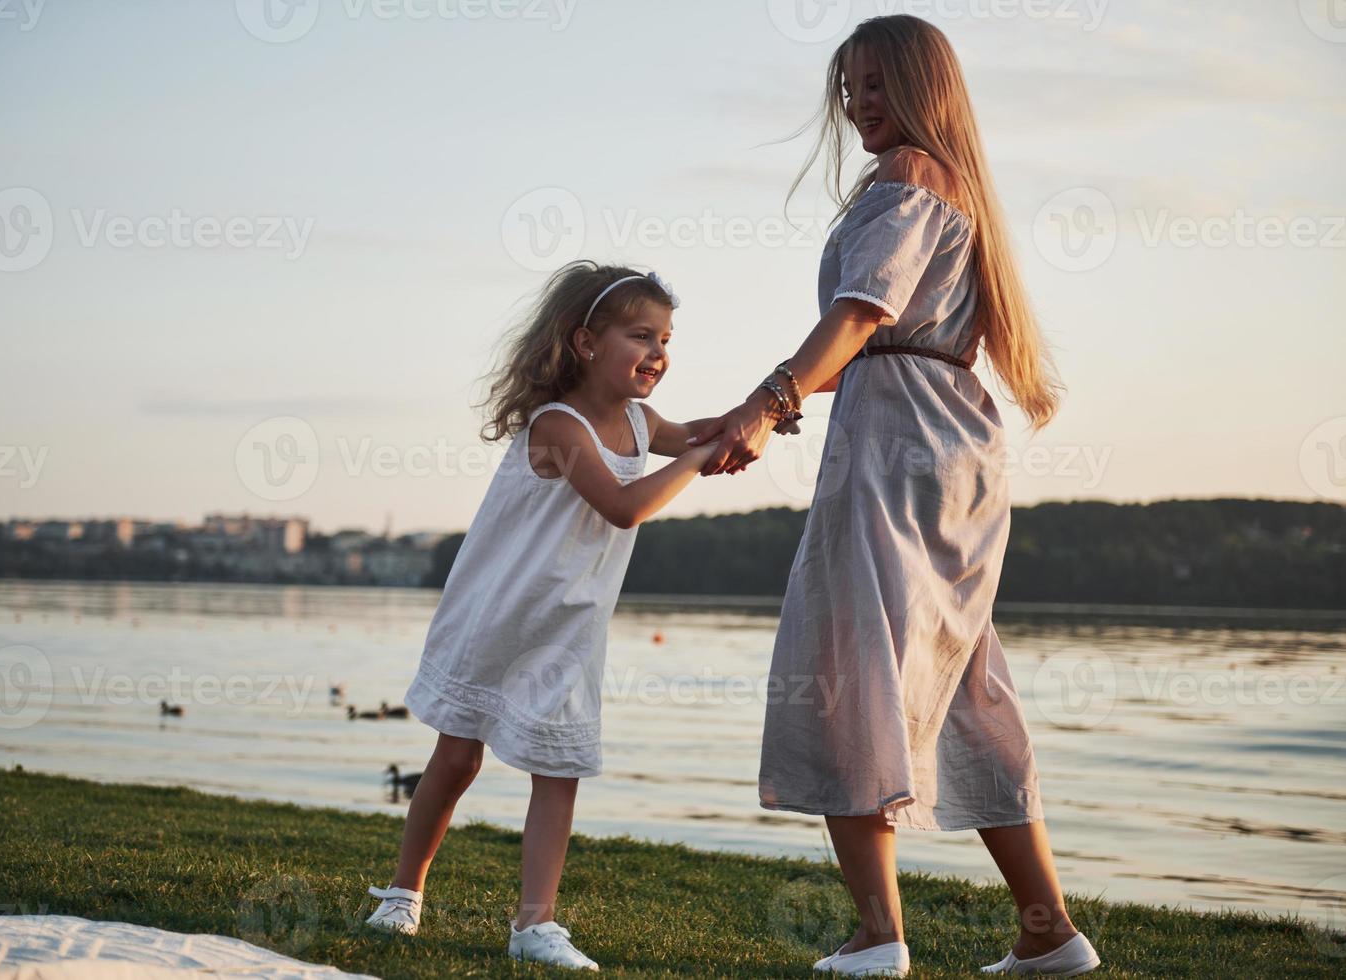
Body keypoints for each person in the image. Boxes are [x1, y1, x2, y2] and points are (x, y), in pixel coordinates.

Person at [686, 15, 1100, 978]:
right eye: (847, 88)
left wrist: (769, 399)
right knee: (965, 681)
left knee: (845, 658)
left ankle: (877, 937)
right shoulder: (950, 188)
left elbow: (861, 313)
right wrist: (756, 403)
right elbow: (872, 336)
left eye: (875, 84)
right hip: (948, 442)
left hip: (901, 450)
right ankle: (1048, 932)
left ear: (921, 89)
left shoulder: (909, 178)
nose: (857, 104)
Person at [364, 260, 718, 971]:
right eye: (640, 335)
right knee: (457, 757)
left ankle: (534, 925)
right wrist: (705, 458)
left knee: (558, 770)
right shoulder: (558, 424)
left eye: (666, 339)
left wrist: (773, 403)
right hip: (498, 615)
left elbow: (701, 430)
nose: (658, 353)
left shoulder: (645, 423)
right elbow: (623, 507)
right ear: (585, 342)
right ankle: (403, 893)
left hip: (568, 628)